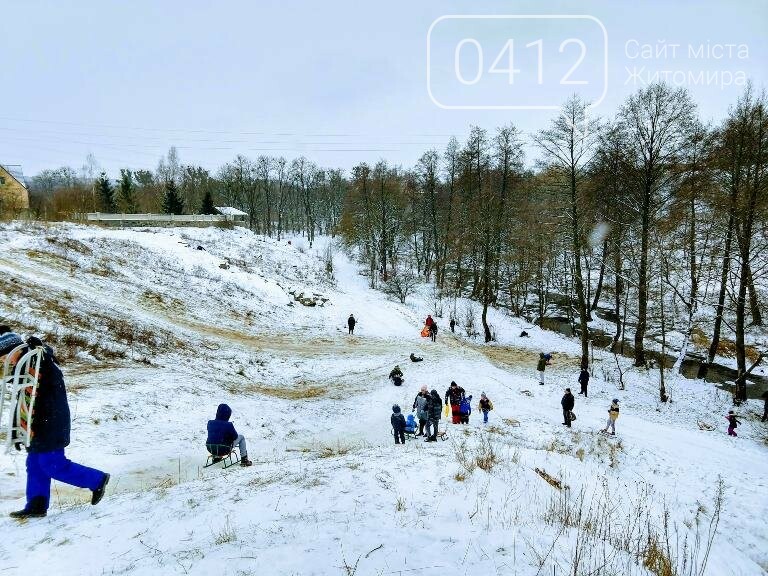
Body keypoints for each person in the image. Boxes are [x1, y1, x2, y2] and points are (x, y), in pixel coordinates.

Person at [1, 331, 111, 519]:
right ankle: (37, 504)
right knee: (35, 464)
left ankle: (97, 480)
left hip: (51, 422)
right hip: (36, 424)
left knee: (51, 464)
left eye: (5, 357)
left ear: (15, 351)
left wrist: (38, 349)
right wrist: (19, 429)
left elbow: (46, 361)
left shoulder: (41, 362)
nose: (5, 362)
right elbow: (22, 402)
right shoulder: (24, 370)